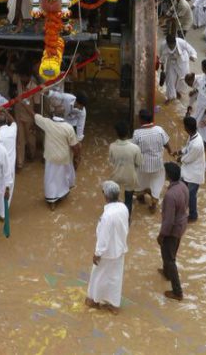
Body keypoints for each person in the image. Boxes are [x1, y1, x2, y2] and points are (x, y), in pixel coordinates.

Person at [85, 181, 129, 314]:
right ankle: (114, 305)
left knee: (97, 275)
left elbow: (103, 238)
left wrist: (97, 254)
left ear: (106, 196)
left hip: (107, 252)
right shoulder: (123, 207)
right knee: (115, 277)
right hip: (120, 249)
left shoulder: (107, 216)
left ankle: (93, 300)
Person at [33, 107, 79, 207]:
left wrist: (23, 102)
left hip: (51, 158)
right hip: (64, 158)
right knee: (62, 178)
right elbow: (75, 146)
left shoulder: (47, 123)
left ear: (53, 114)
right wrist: (76, 158)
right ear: (64, 114)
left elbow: (33, 115)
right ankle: (62, 194)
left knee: (51, 179)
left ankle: (52, 201)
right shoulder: (68, 127)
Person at [158, 162, 189, 301]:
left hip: (172, 230)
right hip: (181, 224)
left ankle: (177, 292)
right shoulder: (183, 186)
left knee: (170, 258)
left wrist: (161, 235)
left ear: (169, 176)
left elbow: (169, 221)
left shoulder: (170, 195)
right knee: (170, 252)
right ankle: (166, 273)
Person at [132, 111, 170, 211]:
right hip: (157, 163)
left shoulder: (137, 133)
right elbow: (166, 143)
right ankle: (153, 205)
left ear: (142, 120)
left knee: (140, 180)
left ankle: (141, 198)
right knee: (156, 182)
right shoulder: (159, 130)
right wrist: (170, 151)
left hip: (142, 165)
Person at [107, 122, 141, 220]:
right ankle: (127, 219)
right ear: (128, 133)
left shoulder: (112, 146)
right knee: (128, 200)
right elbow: (138, 163)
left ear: (117, 133)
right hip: (130, 176)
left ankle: (113, 217)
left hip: (116, 176)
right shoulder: (135, 148)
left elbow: (112, 161)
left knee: (114, 199)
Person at [178, 115, 205, 222]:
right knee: (182, 189)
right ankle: (182, 209)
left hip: (194, 173)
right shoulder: (193, 135)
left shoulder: (197, 144)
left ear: (187, 128)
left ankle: (193, 215)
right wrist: (180, 151)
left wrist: (180, 159)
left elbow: (188, 158)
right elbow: (187, 147)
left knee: (191, 195)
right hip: (189, 170)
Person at [159, 34, 197, 103]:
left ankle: (178, 91)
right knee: (169, 78)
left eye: (172, 45)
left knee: (182, 79)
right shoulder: (163, 45)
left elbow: (191, 49)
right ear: (167, 43)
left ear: (175, 42)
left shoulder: (181, 42)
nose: (171, 47)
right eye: (169, 45)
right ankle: (171, 96)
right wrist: (162, 69)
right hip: (171, 61)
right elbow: (162, 57)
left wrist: (193, 56)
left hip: (182, 61)